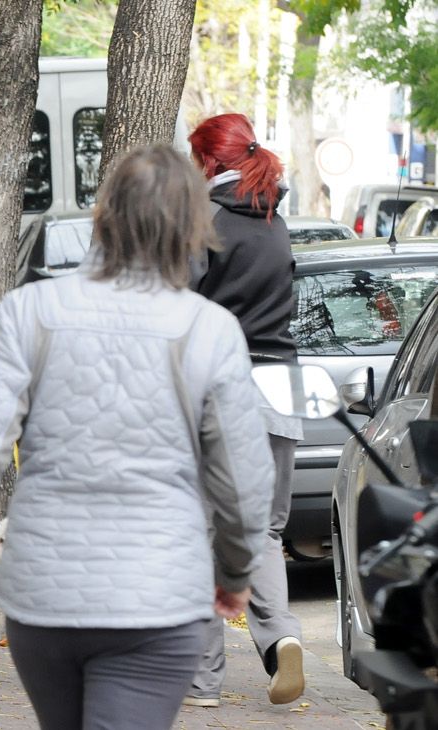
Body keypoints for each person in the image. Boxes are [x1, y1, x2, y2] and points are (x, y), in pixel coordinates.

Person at [0, 145, 275, 730]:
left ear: (105, 216)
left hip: (43, 597)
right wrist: (235, 573)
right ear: (194, 228)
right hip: (160, 597)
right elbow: (243, 480)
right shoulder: (210, 331)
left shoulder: (32, 311)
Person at [186, 112, 306, 707]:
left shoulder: (203, 222)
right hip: (284, 384)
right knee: (265, 530)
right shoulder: (277, 221)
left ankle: (204, 683)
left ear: (208, 161)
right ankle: (282, 637)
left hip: (226, 385)